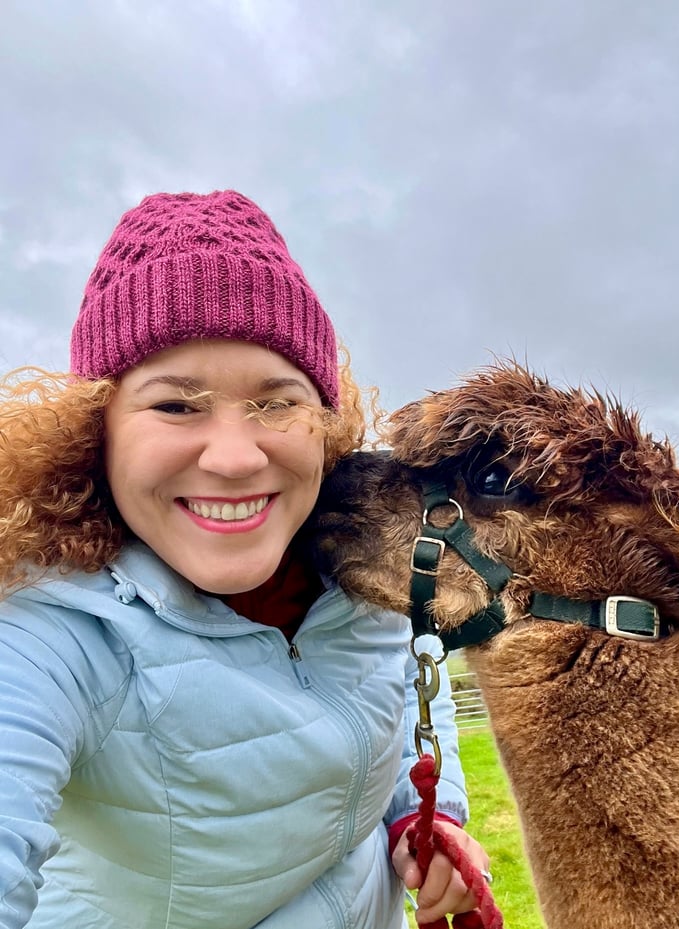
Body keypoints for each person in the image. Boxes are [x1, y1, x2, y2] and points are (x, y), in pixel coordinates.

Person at [0, 190, 489, 929]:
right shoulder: (50, 632)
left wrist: (427, 812)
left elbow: (416, 680)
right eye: (175, 405)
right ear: (95, 431)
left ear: (324, 422)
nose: (234, 457)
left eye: (276, 402)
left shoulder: (360, 564)